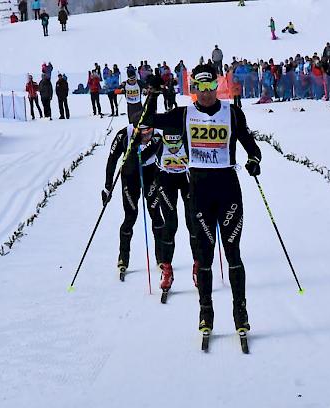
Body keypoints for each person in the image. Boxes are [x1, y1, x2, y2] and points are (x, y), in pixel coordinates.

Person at [139, 63, 262, 335]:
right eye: (199, 87)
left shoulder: (233, 113)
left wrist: (254, 161)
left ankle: (240, 313)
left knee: (233, 253)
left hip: (228, 189)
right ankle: (205, 313)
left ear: (217, 86)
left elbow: (252, 147)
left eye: (210, 86)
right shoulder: (184, 114)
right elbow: (145, 122)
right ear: (193, 88)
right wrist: (153, 93)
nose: (205, 93)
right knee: (204, 256)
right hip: (199, 193)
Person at [138, 130, 200, 294]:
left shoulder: (187, 135)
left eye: (176, 142)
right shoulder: (158, 139)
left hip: (187, 179)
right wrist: (136, 147)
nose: (173, 147)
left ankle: (198, 266)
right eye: (170, 142)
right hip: (166, 179)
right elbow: (141, 158)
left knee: (193, 222)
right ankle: (167, 270)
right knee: (171, 223)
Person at [103, 121, 164, 279]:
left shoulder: (157, 134)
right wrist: (107, 186)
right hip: (130, 176)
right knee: (130, 217)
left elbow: (155, 154)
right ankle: (123, 258)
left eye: (148, 131)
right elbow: (112, 158)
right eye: (142, 132)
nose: (146, 135)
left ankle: (162, 257)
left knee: (156, 215)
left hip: (151, 175)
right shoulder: (123, 134)